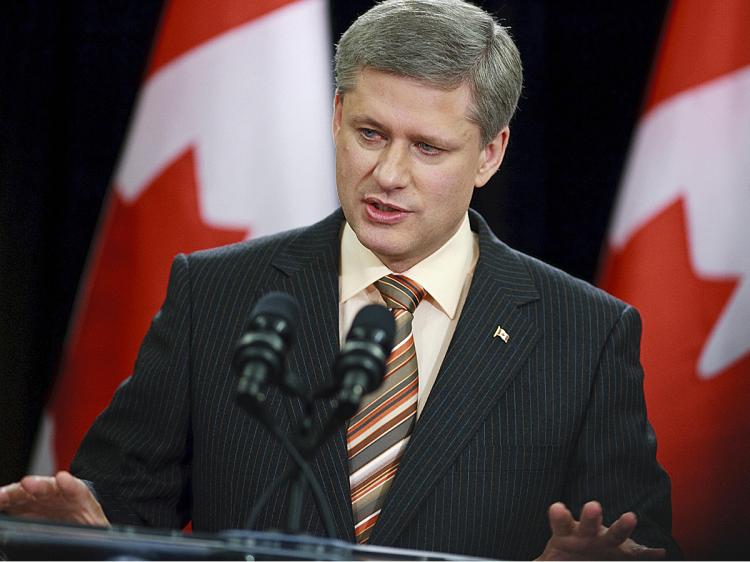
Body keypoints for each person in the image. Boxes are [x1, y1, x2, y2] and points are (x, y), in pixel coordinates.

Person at [0, 0, 680, 559]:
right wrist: (80, 529)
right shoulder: (216, 296)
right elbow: (115, 507)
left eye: (428, 147)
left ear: (491, 153)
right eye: (370, 133)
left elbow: (632, 542)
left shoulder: (583, 333)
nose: (388, 174)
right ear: (334, 119)